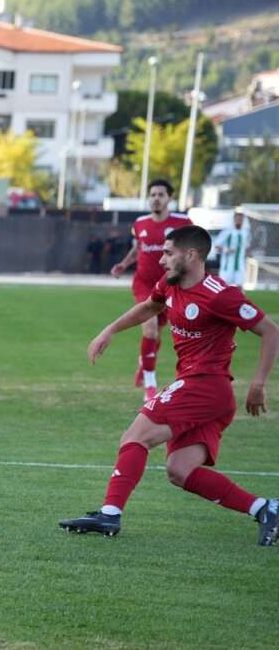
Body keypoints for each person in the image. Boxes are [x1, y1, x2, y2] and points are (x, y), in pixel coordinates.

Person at [60, 225, 279, 546]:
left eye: (167, 253)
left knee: (135, 436)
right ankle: (265, 508)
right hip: (204, 391)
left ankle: (110, 513)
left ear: (190, 255)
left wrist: (259, 384)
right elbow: (150, 306)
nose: (161, 260)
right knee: (180, 470)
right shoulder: (170, 283)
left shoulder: (221, 294)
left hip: (205, 386)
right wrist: (110, 330)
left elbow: (270, 330)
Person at [109, 179, 191, 401]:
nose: (156, 198)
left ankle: (144, 363)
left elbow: (193, 248)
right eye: (153, 194)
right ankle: (150, 386)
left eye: (160, 195)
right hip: (144, 284)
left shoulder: (183, 222)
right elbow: (138, 249)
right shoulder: (140, 223)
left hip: (170, 285)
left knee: (157, 334)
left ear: (169, 198)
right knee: (151, 330)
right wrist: (124, 264)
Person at [213, 210, 250, 288]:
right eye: (237, 219)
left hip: (240, 265)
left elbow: (246, 247)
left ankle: (240, 297)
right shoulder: (227, 231)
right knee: (223, 287)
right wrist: (226, 250)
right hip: (227, 266)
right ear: (234, 219)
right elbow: (216, 245)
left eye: (241, 219)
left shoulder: (245, 232)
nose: (239, 220)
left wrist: (249, 253)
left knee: (240, 287)